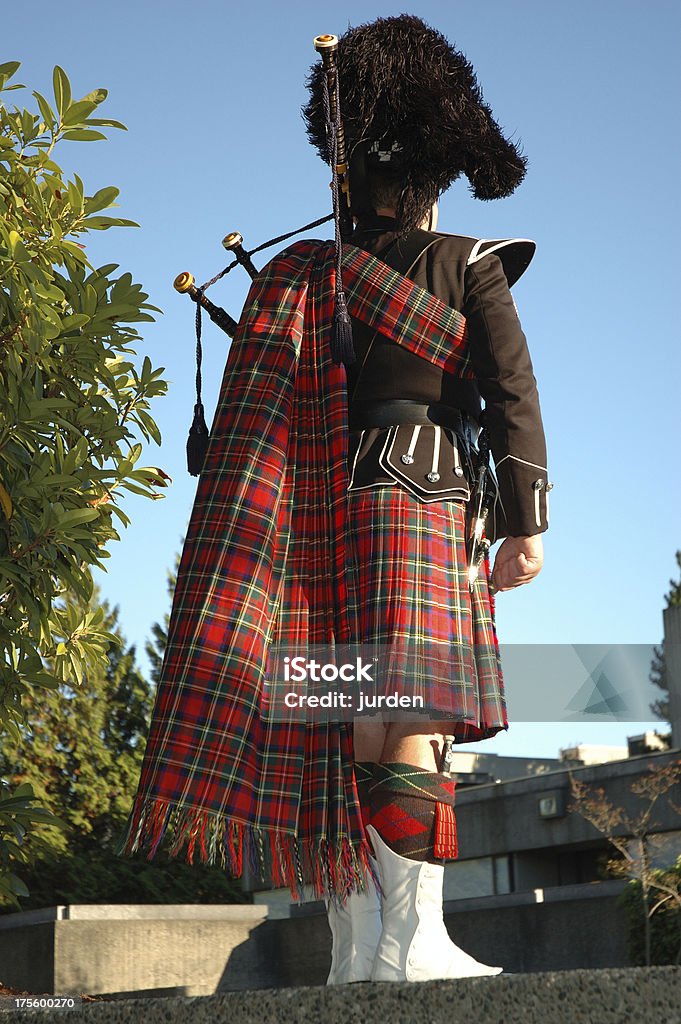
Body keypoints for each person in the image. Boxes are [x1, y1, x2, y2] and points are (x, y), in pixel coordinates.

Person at [118, 13, 550, 986]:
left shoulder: (304, 274)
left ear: (346, 177)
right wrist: (526, 519)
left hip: (324, 512)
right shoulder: (466, 263)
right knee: (415, 714)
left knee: (356, 715)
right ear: (433, 185)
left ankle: (363, 950)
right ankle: (414, 944)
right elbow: (512, 393)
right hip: (426, 497)